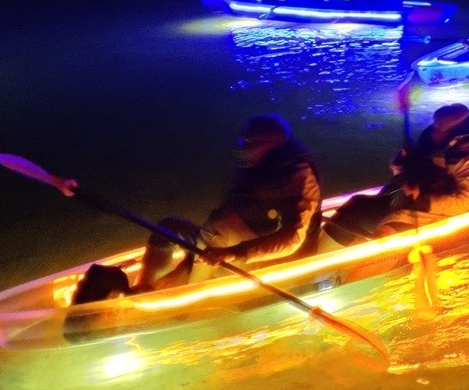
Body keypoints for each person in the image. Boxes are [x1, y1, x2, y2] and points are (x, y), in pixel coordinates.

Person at [72, 115, 323, 301]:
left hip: (267, 254)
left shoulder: (297, 176)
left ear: (274, 144)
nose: (244, 149)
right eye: (243, 142)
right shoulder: (256, 170)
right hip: (229, 241)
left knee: (220, 228)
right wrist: (189, 262)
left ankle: (188, 301)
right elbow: (219, 226)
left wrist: (234, 253)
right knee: (169, 227)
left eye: (251, 144)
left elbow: (293, 238)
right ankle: (143, 292)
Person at [324, 103, 469, 244]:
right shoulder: (433, 140)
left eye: (439, 128)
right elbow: (406, 171)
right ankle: (329, 256)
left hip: (431, 209)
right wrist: (401, 163)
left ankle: (360, 266)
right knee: (357, 205)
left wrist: (423, 201)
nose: (433, 131)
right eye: (435, 125)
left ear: (452, 132)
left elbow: (466, 199)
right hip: (405, 197)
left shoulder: (467, 157)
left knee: (387, 233)